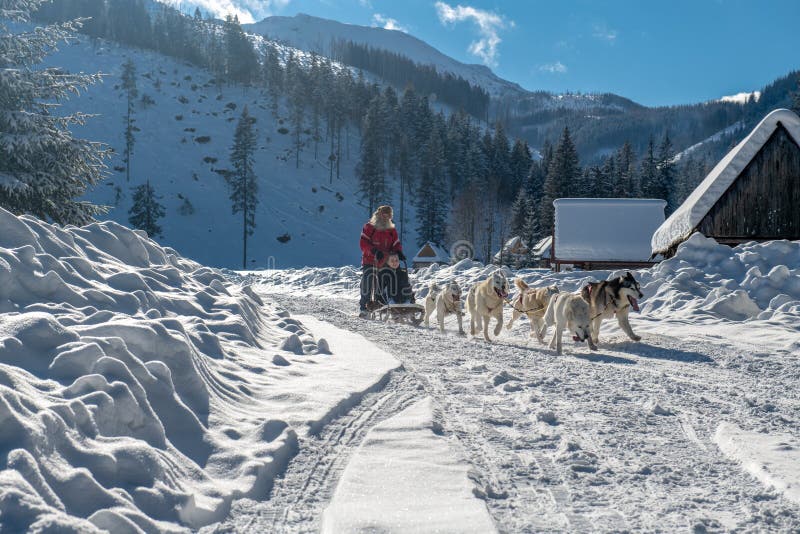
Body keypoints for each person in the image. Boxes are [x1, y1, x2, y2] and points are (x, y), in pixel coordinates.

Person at [359, 205, 405, 316]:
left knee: (398, 277)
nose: (387, 218)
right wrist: (374, 251)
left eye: (389, 216)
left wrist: (398, 251)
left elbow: (396, 243)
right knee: (368, 280)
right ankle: (364, 307)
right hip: (371, 260)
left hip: (387, 260)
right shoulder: (369, 227)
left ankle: (400, 301)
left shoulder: (391, 230)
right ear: (379, 215)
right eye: (385, 215)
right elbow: (363, 243)